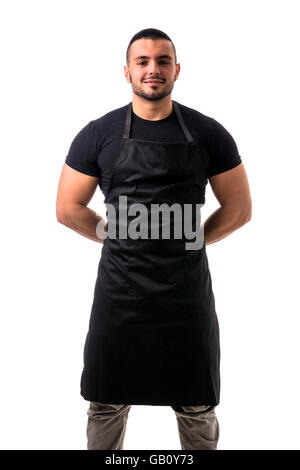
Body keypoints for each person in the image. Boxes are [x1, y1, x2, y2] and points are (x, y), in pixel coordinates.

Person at [56, 28, 252, 450]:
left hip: (185, 297)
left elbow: (238, 210)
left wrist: (188, 239)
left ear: (177, 70)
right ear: (126, 71)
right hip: (119, 295)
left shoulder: (208, 133)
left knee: (197, 403)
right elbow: (68, 208)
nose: (153, 69)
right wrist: (114, 234)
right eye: (142, 62)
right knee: (105, 401)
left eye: (163, 61)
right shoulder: (98, 134)